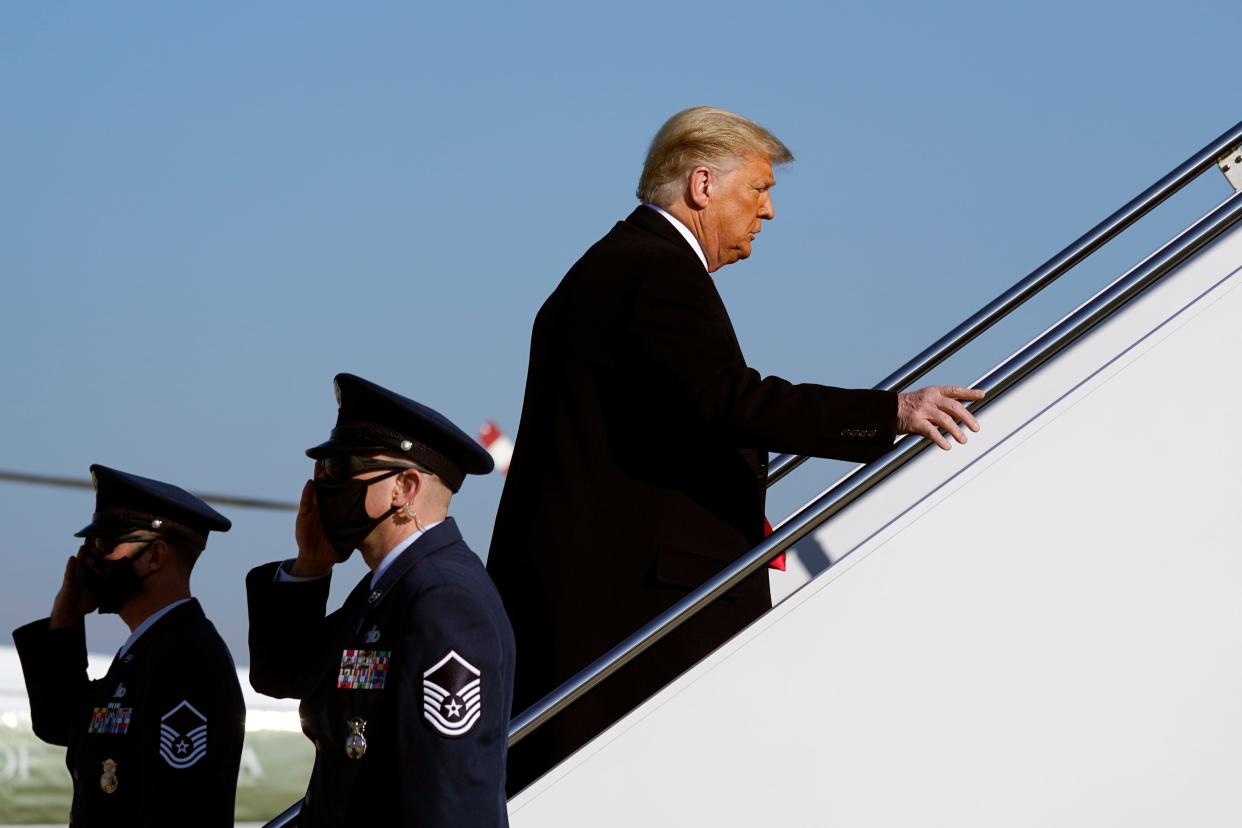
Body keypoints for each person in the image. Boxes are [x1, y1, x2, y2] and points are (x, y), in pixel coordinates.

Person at [487, 106, 986, 793]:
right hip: (640, 610)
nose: (770, 211)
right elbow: (730, 400)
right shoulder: (654, 270)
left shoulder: (613, 267)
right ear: (701, 186)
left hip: (591, 606)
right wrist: (889, 413)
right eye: (758, 189)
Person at [246, 373, 515, 827]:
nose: (324, 487)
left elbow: (448, 800)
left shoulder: (442, 598)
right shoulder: (387, 590)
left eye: (342, 469)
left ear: (404, 488)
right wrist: (310, 567)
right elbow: (282, 672)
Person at [11, 464, 245, 826]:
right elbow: (60, 722)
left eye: (104, 544)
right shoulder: (142, 653)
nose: (88, 558)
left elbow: (176, 808)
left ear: (155, 556)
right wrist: (66, 619)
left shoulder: (187, 656)